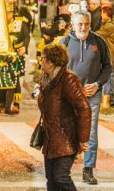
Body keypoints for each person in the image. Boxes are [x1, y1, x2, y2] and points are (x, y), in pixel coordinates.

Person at [60, 11, 112, 185]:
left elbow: (107, 67)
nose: (84, 27)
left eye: (87, 24)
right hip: (69, 96)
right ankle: (64, 168)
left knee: (90, 132)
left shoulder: (99, 42)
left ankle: (88, 169)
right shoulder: (64, 43)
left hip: (92, 96)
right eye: (80, 24)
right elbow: (55, 69)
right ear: (73, 25)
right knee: (67, 130)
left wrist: (97, 84)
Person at [38, 43, 91, 191]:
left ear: (51, 62)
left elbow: (84, 108)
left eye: (43, 57)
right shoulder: (45, 77)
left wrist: (83, 139)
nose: (41, 60)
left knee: (60, 177)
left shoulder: (68, 79)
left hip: (66, 137)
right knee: (51, 179)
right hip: (50, 136)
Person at [97, 6, 114, 109]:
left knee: (108, 77)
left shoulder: (109, 26)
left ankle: (108, 100)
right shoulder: (109, 24)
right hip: (111, 53)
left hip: (109, 54)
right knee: (110, 76)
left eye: (102, 13)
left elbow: (97, 35)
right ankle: (111, 98)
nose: (101, 15)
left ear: (106, 14)